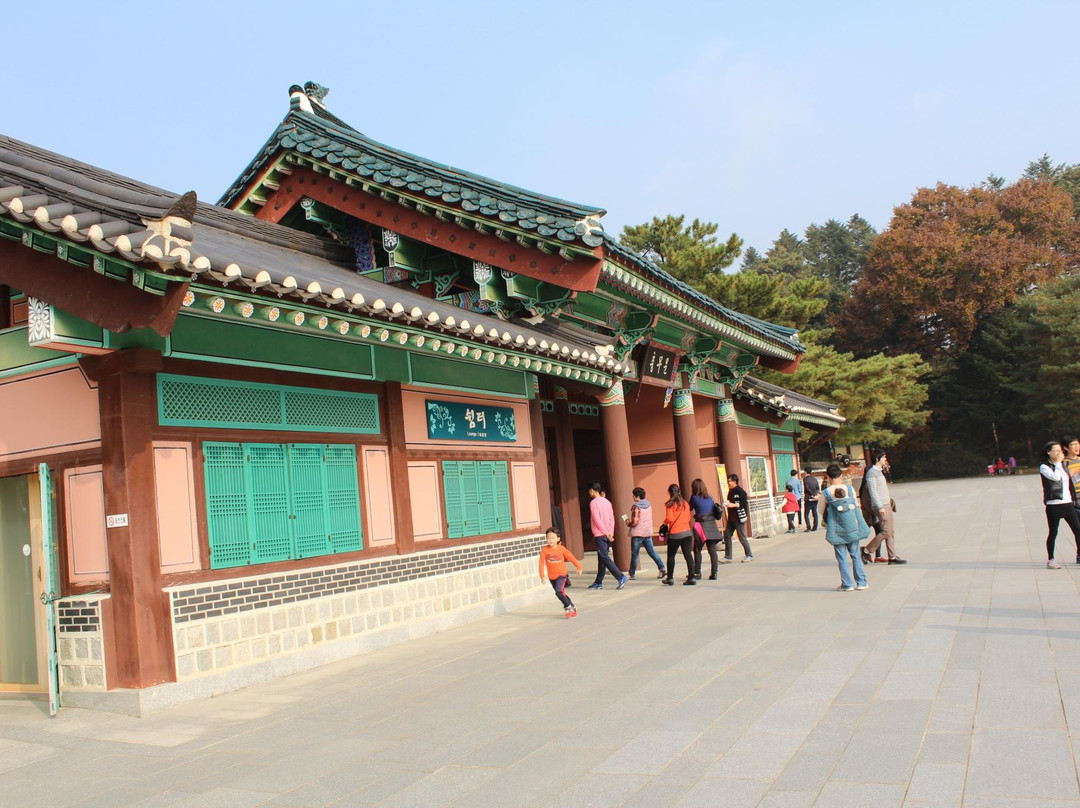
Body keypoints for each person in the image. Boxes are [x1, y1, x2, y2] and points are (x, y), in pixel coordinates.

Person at [822, 464, 870, 591]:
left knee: (842, 557)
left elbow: (821, 510)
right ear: (840, 475)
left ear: (828, 477)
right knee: (855, 556)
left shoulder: (826, 493)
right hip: (852, 527)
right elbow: (856, 505)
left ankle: (847, 584)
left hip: (837, 530)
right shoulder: (849, 489)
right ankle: (861, 582)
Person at [859, 449, 906, 566]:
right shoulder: (871, 473)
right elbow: (873, 491)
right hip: (880, 506)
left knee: (890, 531)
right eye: (883, 457)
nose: (885, 459)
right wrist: (879, 506)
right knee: (885, 531)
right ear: (877, 459)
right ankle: (866, 550)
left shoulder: (879, 472)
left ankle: (892, 556)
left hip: (886, 504)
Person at [1039, 441, 1080, 569]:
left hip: (1067, 503)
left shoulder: (1063, 465)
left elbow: (1068, 481)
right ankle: (1051, 559)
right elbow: (1056, 477)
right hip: (1054, 504)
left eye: (1060, 451)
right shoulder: (1044, 466)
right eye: (1056, 450)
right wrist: (1057, 463)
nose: (1059, 453)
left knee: (1078, 530)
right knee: (1053, 532)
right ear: (1048, 452)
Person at [585, 482, 628, 590]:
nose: (589, 493)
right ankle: (598, 582)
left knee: (604, 557)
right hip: (608, 533)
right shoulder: (607, 502)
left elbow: (596, 519)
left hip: (600, 534)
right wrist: (610, 531)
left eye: (589, 491)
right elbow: (611, 518)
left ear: (592, 490)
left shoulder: (593, 503)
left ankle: (620, 577)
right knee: (602, 559)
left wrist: (605, 532)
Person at [538, 527, 582, 618]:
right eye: (548, 538)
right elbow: (541, 563)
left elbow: (570, 557)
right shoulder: (545, 550)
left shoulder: (561, 549)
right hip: (552, 576)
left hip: (561, 575)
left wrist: (578, 566)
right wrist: (542, 575)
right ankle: (572, 606)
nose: (551, 540)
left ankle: (567, 607)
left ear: (558, 539)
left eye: (553, 538)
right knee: (560, 593)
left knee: (559, 591)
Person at [659, 483, 696, 585]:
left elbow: (670, 518)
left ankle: (670, 578)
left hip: (675, 533)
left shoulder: (670, 504)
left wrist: (664, 523)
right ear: (679, 491)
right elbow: (688, 518)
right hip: (687, 532)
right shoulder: (685, 504)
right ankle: (692, 577)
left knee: (671, 556)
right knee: (688, 555)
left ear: (669, 493)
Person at [627, 487, 665, 580]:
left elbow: (634, 522)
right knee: (652, 552)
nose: (633, 497)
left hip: (637, 533)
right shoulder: (649, 505)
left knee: (635, 555)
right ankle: (662, 567)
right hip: (647, 533)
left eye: (634, 495)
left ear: (637, 496)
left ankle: (631, 574)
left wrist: (628, 522)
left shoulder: (636, 507)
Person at [689, 478, 723, 579]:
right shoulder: (710, 497)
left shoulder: (694, 498)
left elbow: (689, 508)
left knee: (697, 549)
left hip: (701, 525)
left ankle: (697, 572)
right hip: (711, 524)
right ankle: (714, 573)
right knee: (712, 550)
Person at [721, 474, 754, 563]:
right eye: (728, 481)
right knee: (727, 536)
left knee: (741, 537)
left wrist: (734, 505)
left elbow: (744, 503)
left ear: (734, 482)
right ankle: (728, 556)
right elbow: (730, 502)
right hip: (731, 518)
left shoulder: (740, 491)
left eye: (730, 481)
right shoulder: (730, 491)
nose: (728, 483)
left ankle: (749, 555)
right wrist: (727, 504)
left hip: (739, 518)